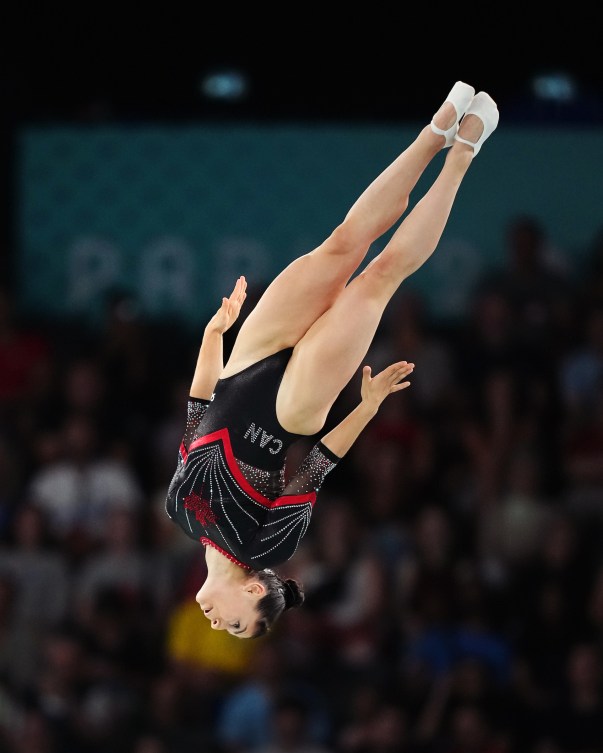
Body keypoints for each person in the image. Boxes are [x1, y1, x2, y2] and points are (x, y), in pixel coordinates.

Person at [166, 81, 499, 639]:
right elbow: (317, 463)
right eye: (240, 628)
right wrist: (366, 408)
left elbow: (197, 415)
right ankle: (463, 155)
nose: (223, 626)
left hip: (243, 363)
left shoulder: (178, 513)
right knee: (376, 279)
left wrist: (213, 335)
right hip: (290, 411)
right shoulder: (266, 544)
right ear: (254, 591)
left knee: (343, 244)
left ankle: (434, 132)